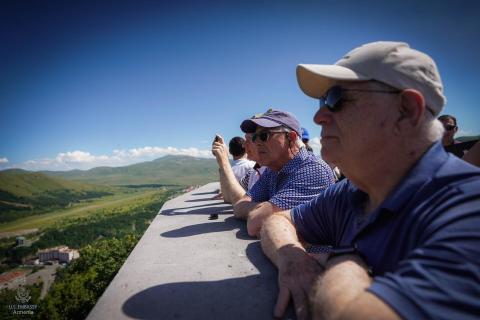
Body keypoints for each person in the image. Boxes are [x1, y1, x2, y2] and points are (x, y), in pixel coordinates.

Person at [260, 41, 480, 320]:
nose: (318, 116)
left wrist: (344, 261)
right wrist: (291, 258)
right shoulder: (354, 191)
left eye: (336, 98)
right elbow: (277, 221)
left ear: (407, 110)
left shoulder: (467, 208)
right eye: (321, 101)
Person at [212, 109, 335, 237]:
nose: (257, 142)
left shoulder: (313, 170)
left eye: (264, 135)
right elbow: (239, 207)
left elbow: (256, 223)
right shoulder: (273, 169)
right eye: (254, 137)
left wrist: (265, 208)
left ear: (291, 138)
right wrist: (265, 207)